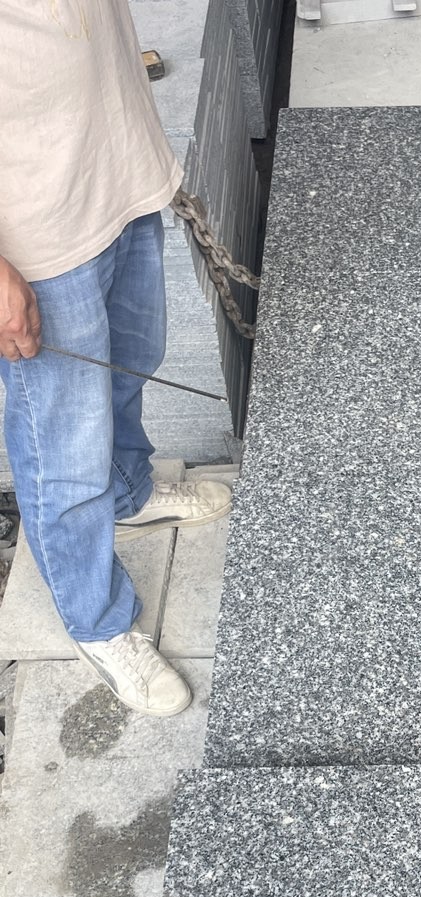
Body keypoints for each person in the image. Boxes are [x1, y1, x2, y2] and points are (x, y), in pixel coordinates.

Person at [0, 0, 233, 717]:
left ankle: (128, 494)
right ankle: (96, 619)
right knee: (64, 443)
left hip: (114, 166)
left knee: (133, 359)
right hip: (30, 224)